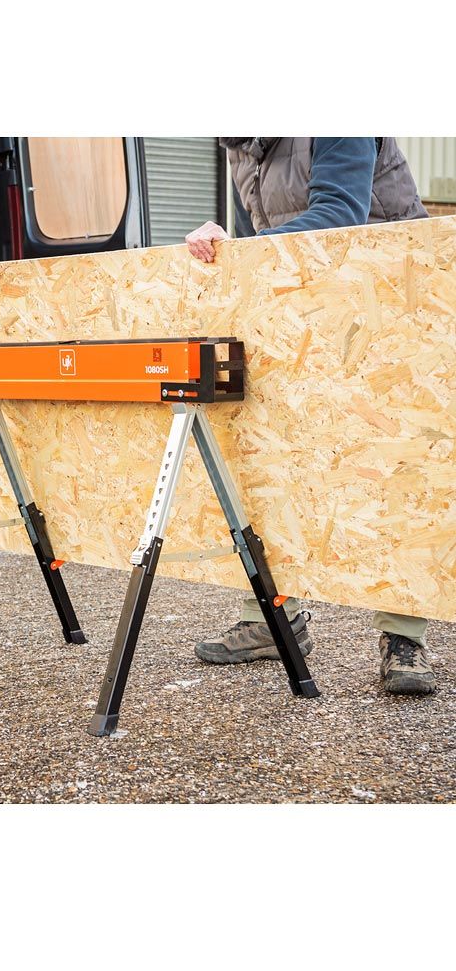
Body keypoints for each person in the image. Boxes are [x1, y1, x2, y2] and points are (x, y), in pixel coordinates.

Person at [185, 137, 437, 696]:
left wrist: (241, 250)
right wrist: (223, 249)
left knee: (389, 468)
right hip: (311, 300)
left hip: (391, 297)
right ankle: (273, 618)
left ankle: (404, 637)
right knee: (271, 454)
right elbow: (260, 232)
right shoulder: (243, 144)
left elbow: (339, 214)